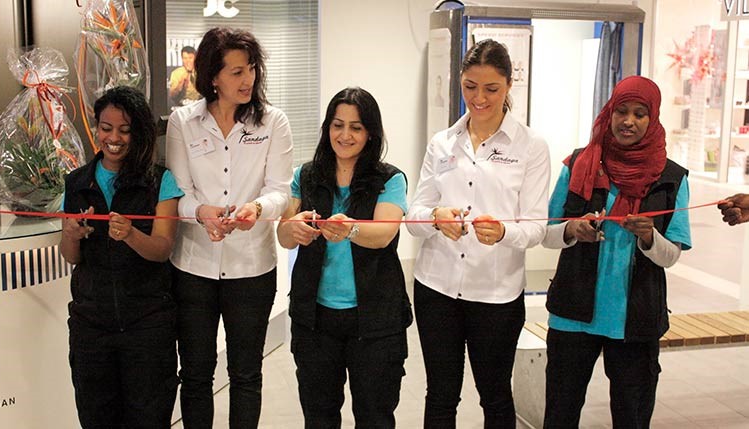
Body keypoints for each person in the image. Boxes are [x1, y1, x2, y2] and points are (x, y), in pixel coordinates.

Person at [406, 38, 550, 428]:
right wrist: (436, 218)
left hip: (496, 294)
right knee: (440, 395)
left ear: (509, 86)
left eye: (491, 89)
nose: (479, 98)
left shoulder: (531, 146)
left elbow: (536, 227)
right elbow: (413, 217)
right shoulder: (442, 143)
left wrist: (503, 232)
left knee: (496, 397)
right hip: (436, 288)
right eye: (470, 86)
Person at [541, 75, 692, 428]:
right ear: (609, 112)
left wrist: (650, 237)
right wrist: (572, 230)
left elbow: (671, 256)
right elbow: (546, 234)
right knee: (560, 415)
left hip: (635, 320)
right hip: (572, 315)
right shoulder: (578, 164)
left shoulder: (672, 178)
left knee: (632, 418)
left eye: (640, 114)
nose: (628, 121)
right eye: (621, 111)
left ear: (653, 117)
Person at [165, 27, 293, 428]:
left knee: (246, 374)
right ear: (213, 76)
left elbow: (280, 191)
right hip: (193, 269)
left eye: (251, 68)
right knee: (195, 374)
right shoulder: (183, 122)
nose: (248, 79)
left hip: (252, 268)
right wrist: (201, 212)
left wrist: (257, 207)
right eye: (236, 72)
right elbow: (177, 194)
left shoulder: (273, 122)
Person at [277, 87, 411, 428]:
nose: (345, 135)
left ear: (371, 133)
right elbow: (284, 235)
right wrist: (294, 228)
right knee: (319, 416)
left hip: (376, 319)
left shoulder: (390, 179)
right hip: (315, 319)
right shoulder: (305, 176)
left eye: (356, 127)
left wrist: (350, 230)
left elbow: (383, 235)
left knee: (375, 416)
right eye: (338, 125)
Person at [60, 85, 183, 428]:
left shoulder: (160, 181)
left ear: (139, 132)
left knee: (149, 418)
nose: (114, 138)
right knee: (96, 418)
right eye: (106, 128)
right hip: (91, 327)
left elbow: (162, 249)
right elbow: (71, 257)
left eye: (125, 130)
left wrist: (130, 234)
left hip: (147, 326)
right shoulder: (77, 182)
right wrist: (70, 235)